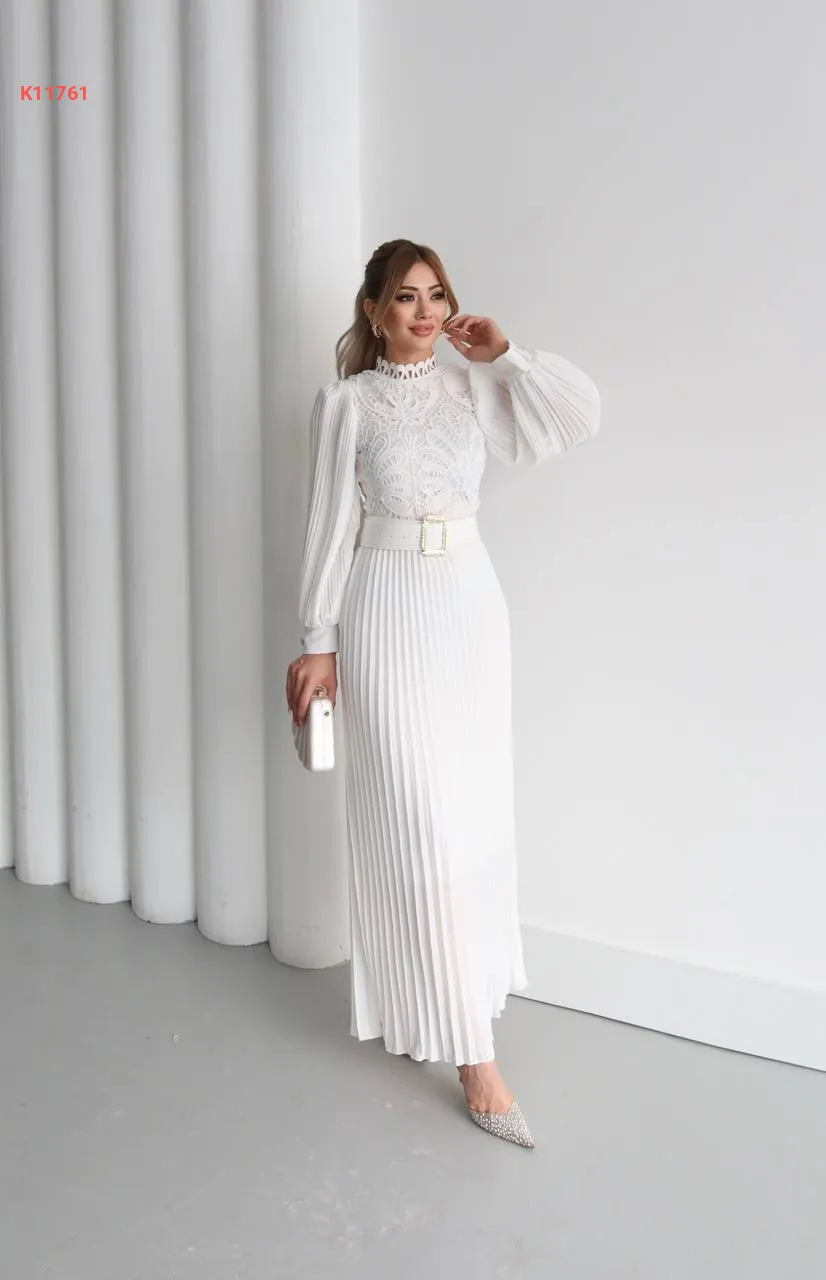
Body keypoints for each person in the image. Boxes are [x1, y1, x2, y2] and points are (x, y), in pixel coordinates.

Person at [285, 239, 600, 1149]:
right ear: (374, 310)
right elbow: (328, 525)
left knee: (471, 820)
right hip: (384, 607)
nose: (424, 312)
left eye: (436, 295)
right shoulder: (346, 404)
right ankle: (474, 1058)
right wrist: (317, 640)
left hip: (469, 607)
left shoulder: (471, 387)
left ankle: (457, 1002)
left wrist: (506, 354)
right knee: (416, 820)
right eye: (405, 297)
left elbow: (576, 419)